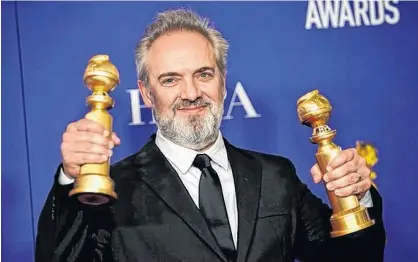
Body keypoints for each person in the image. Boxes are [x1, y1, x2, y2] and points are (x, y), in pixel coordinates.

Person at [35, 8, 386, 262]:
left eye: (203, 74)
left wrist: (357, 198)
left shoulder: (275, 176)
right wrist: (71, 179)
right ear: (145, 93)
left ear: (222, 80)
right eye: (170, 79)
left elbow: (352, 257)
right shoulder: (116, 188)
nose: (190, 92)